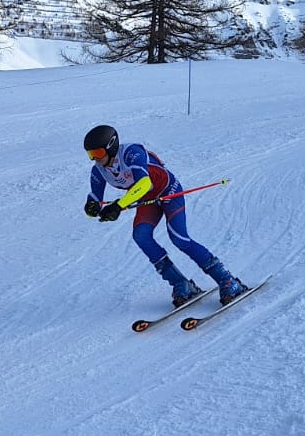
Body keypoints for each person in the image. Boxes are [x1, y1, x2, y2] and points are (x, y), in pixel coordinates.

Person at [83, 125, 248, 306]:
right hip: (148, 200)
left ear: (111, 146)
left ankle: (227, 280)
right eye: (91, 155)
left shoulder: (131, 152)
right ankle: (180, 283)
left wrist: (119, 206)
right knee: (141, 236)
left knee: (179, 238)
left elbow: (144, 183)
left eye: (98, 153)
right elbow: (95, 198)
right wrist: (91, 207)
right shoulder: (98, 170)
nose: (95, 159)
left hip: (168, 191)